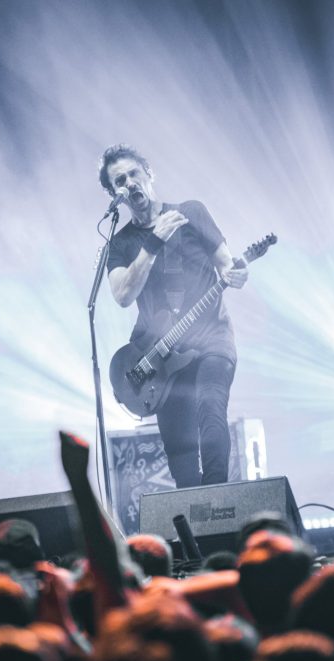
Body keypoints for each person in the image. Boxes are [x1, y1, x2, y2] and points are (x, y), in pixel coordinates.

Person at [101, 145, 248, 489]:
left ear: (148, 173)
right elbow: (122, 295)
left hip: (211, 338)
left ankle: (217, 496)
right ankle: (193, 510)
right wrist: (152, 243)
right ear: (114, 194)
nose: (130, 183)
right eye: (120, 181)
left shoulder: (191, 212)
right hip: (160, 356)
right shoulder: (119, 244)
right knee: (180, 449)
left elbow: (227, 265)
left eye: (134, 174)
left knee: (211, 408)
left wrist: (238, 273)